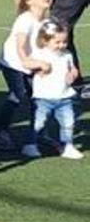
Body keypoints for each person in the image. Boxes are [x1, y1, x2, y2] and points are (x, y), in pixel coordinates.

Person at [0, 0, 51, 153]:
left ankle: (37, 134)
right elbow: (20, 45)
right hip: (12, 63)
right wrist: (26, 61)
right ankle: (0, 132)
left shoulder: (46, 22)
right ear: (29, 1)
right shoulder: (25, 19)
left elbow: (49, 45)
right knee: (18, 94)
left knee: (39, 99)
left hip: (31, 64)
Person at [27, 19, 83, 159]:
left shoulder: (67, 55)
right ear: (45, 40)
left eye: (64, 42)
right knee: (38, 122)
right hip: (43, 97)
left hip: (64, 96)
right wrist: (37, 68)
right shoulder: (40, 54)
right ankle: (30, 145)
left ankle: (67, 146)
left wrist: (72, 74)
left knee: (68, 123)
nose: (61, 45)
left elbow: (73, 69)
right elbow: (29, 66)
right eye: (57, 42)